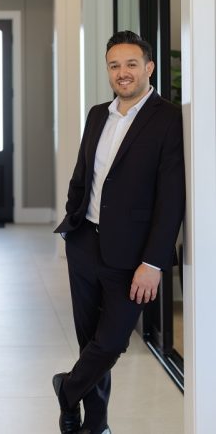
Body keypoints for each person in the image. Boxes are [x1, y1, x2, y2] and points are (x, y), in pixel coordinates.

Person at [52, 30, 185, 434]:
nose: (122, 73)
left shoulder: (171, 119)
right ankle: (96, 424)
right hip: (84, 244)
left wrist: (153, 262)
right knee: (90, 342)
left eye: (131, 64)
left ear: (149, 67)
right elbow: (83, 176)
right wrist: (72, 221)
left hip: (134, 256)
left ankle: (66, 389)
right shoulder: (98, 114)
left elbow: (172, 198)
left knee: (110, 343)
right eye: (114, 65)